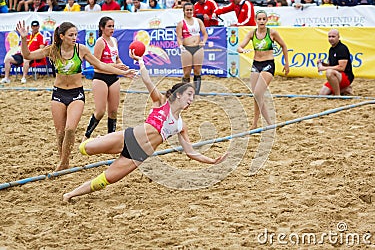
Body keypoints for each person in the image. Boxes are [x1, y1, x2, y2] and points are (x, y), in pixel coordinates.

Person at [62, 57, 228, 202]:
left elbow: (191, 152)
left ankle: (70, 194)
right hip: (128, 137)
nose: (191, 100)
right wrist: (140, 60)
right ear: (178, 94)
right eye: (189, 95)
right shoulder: (161, 102)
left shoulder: (181, 125)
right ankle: (95, 139)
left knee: (104, 181)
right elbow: (147, 80)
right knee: (84, 149)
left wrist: (211, 161)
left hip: (137, 156)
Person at [15, 20, 136, 171]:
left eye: (76, 34)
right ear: (62, 36)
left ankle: (64, 162)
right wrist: (24, 38)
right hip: (58, 93)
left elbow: (100, 65)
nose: (74, 37)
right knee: (59, 133)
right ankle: (63, 161)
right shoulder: (53, 50)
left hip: (76, 93)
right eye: (71, 35)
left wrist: (123, 72)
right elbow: (27, 55)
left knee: (70, 129)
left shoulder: (81, 49)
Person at [237, 10, 289, 129]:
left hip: (268, 64)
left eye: (263, 19)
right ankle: (255, 123)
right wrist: (241, 50)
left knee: (257, 93)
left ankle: (270, 123)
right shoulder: (252, 33)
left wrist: (287, 64)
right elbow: (240, 46)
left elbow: (284, 46)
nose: (261, 21)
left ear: (266, 20)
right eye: (259, 19)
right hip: (256, 64)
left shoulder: (272, 33)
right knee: (256, 95)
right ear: (255, 20)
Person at [83, 17, 128, 140]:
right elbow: (96, 64)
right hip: (101, 77)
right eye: (109, 26)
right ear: (102, 28)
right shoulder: (100, 42)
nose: (112, 29)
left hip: (113, 77)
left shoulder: (114, 40)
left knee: (113, 111)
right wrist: (116, 66)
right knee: (100, 111)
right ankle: (86, 135)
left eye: (113, 26)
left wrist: (123, 67)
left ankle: (110, 138)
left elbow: (117, 58)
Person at [176, 2, 207, 95]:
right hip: (186, 48)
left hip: (198, 48)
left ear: (193, 10)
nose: (189, 11)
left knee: (197, 71)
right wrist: (180, 45)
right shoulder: (181, 23)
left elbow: (205, 34)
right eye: (187, 10)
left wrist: (204, 42)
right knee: (186, 72)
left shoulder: (198, 21)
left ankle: (196, 93)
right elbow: (178, 37)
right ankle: (185, 93)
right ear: (184, 11)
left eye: (190, 10)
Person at [318, 29, 354, 96]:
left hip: (346, 76)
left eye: (333, 36)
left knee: (329, 72)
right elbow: (332, 65)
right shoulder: (331, 49)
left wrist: (324, 68)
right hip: (337, 75)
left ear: (338, 37)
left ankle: (338, 95)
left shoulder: (342, 48)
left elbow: (341, 68)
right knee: (322, 94)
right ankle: (345, 89)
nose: (331, 39)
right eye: (329, 37)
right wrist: (323, 64)